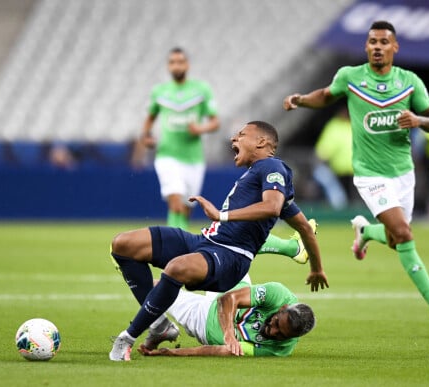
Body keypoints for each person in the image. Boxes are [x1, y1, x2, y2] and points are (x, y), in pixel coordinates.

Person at [283, 20, 429, 328]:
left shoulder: (409, 82)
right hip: (370, 175)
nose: (377, 47)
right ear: (366, 47)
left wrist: (418, 120)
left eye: (384, 42)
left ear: (395, 47)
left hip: (403, 174)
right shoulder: (351, 77)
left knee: (396, 240)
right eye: (372, 42)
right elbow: (326, 96)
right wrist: (300, 100)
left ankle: (366, 232)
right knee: (406, 235)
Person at [109, 120, 328, 361]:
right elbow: (306, 229)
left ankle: (126, 339)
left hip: (230, 257)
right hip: (204, 241)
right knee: (124, 245)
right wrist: (316, 269)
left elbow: (272, 207)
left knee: (176, 269)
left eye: (242, 135)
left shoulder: (273, 166)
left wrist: (221, 215)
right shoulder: (259, 177)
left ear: (261, 142)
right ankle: (160, 325)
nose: (234, 139)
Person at [131, 47, 219, 230]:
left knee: (186, 208)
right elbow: (149, 119)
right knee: (175, 200)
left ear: (187, 64)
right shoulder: (160, 91)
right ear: (168, 66)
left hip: (194, 157)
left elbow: (215, 122)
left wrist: (200, 128)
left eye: (180, 62)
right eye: (172, 62)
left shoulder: (201, 89)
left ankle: (179, 240)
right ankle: (173, 246)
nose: (176, 66)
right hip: (167, 154)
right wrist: (145, 137)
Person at [136, 278, 315, 357]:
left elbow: (219, 350)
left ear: (293, 338)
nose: (272, 330)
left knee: (152, 289)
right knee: (234, 249)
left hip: (206, 320)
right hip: (230, 291)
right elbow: (229, 299)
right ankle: (293, 248)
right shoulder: (280, 294)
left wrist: (171, 353)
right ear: (283, 308)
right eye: (276, 322)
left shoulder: (280, 349)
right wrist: (229, 331)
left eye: (280, 334)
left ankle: (162, 329)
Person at [313, 105, 356, 209]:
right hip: (340, 171)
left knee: (356, 201)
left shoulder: (357, 125)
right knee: (343, 200)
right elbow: (323, 151)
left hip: (356, 171)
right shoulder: (335, 126)